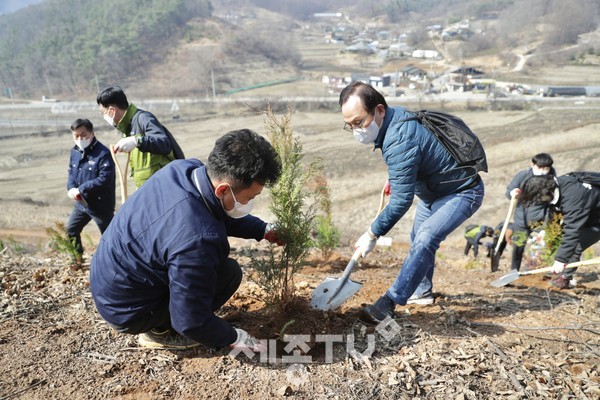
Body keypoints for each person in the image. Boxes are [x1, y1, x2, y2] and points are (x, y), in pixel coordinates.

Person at [90, 129, 282, 350]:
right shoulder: (198, 240)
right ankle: (160, 332)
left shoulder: (183, 170)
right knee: (228, 275)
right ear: (222, 190)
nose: (250, 203)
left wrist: (263, 229)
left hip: (110, 281)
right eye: (249, 198)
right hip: (128, 310)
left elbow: (216, 212)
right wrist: (233, 337)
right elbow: (190, 320)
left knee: (214, 270)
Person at [339, 81, 485, 324]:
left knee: (426, 237)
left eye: (359, 122)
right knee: (419, 239)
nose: (357, 130)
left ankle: (389, 302)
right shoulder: (394, 119)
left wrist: (372, 233)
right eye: (350, 125)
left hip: (461, 192)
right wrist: (396, 178)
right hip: (433, 193)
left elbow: (401, 201)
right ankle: (422, 291)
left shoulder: (398, 138)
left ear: (379, 110)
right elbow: (413, 157)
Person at [519, 173, 600, 289]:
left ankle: (564, 279)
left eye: (539, 199)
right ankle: (540, 263)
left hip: (596, 222)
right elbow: (555, 213)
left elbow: (572, 231)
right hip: (585, 214)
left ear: (547, 193)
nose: (538, 202)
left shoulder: (574, 196)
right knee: (555, 237)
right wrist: (547, 232)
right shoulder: (554, 187)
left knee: (576, 246)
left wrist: (560, 260)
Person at [96, 86, 184, 188]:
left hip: (165, 186)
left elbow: (163, 143)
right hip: (149, 189)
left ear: (112, 111)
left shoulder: (143, 118)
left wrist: (137, 140)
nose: (104, 117)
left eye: (103, 113)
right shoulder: (126, 128)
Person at [66, 118, 115, 262]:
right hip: (82, 203)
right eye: (76, 136)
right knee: (71, 229)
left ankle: (113, 262)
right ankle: (76, 259)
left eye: (83, 135)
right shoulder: (74, 152)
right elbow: (71, 173)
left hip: (101, 205)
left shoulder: (103, 153)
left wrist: (81, 189)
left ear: (92, 133)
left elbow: (104, 179)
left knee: (109, 237)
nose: (80, 139)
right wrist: (71, 188)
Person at [505, 153, 556, 272]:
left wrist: (546, 226)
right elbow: (508, 193)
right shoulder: (522, 176)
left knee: (548, 245)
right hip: (521, 220)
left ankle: (547, 270)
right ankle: (514, 271)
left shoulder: (553, 180)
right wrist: (513, 193)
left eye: (546, 168)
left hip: (540, 221)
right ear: (532, 165)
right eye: (539, 168)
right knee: (518, 246)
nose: (543, 172)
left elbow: (553, 204)